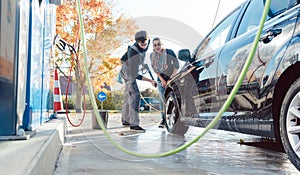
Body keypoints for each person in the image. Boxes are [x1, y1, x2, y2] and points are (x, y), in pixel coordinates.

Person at [120, 31, 157, 132]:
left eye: (145, 43)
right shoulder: (133, 52)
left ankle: (125, 119)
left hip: (133, 65)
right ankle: (134, 124)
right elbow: (134, 74)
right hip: (128, 70)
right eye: (141, 44)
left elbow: (144, 51)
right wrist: (150, 80)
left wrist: (143, 63)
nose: (144, 46)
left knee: (128, 95)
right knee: (135, 95)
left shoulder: (147, 43)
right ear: (137, 42)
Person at [150, 38, 179, 128]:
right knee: (163, 100)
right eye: (155, 45)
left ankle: (175, 117)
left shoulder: (170, 52)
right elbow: (155, 69)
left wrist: (170, 78)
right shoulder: (152, 55)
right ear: (153, 47)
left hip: (171, 77)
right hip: (161, 79)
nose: (157, 46)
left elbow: (176, 66)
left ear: (162, 44)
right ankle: (164, 120)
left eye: (158, 44)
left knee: (171, 98)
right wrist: (162, 80)